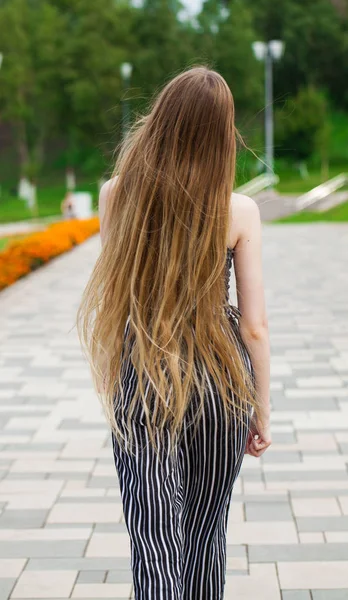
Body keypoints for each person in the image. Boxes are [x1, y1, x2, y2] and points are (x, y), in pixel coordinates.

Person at [76, 66, 271, 599]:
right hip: (222, 382)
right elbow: (254, 325)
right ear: (221, 133)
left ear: (161, 119)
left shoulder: (117, 195)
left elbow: (118, 300)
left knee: (156, 543)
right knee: (207, 537)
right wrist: (262, 410)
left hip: (146, 376)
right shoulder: (238, 211)